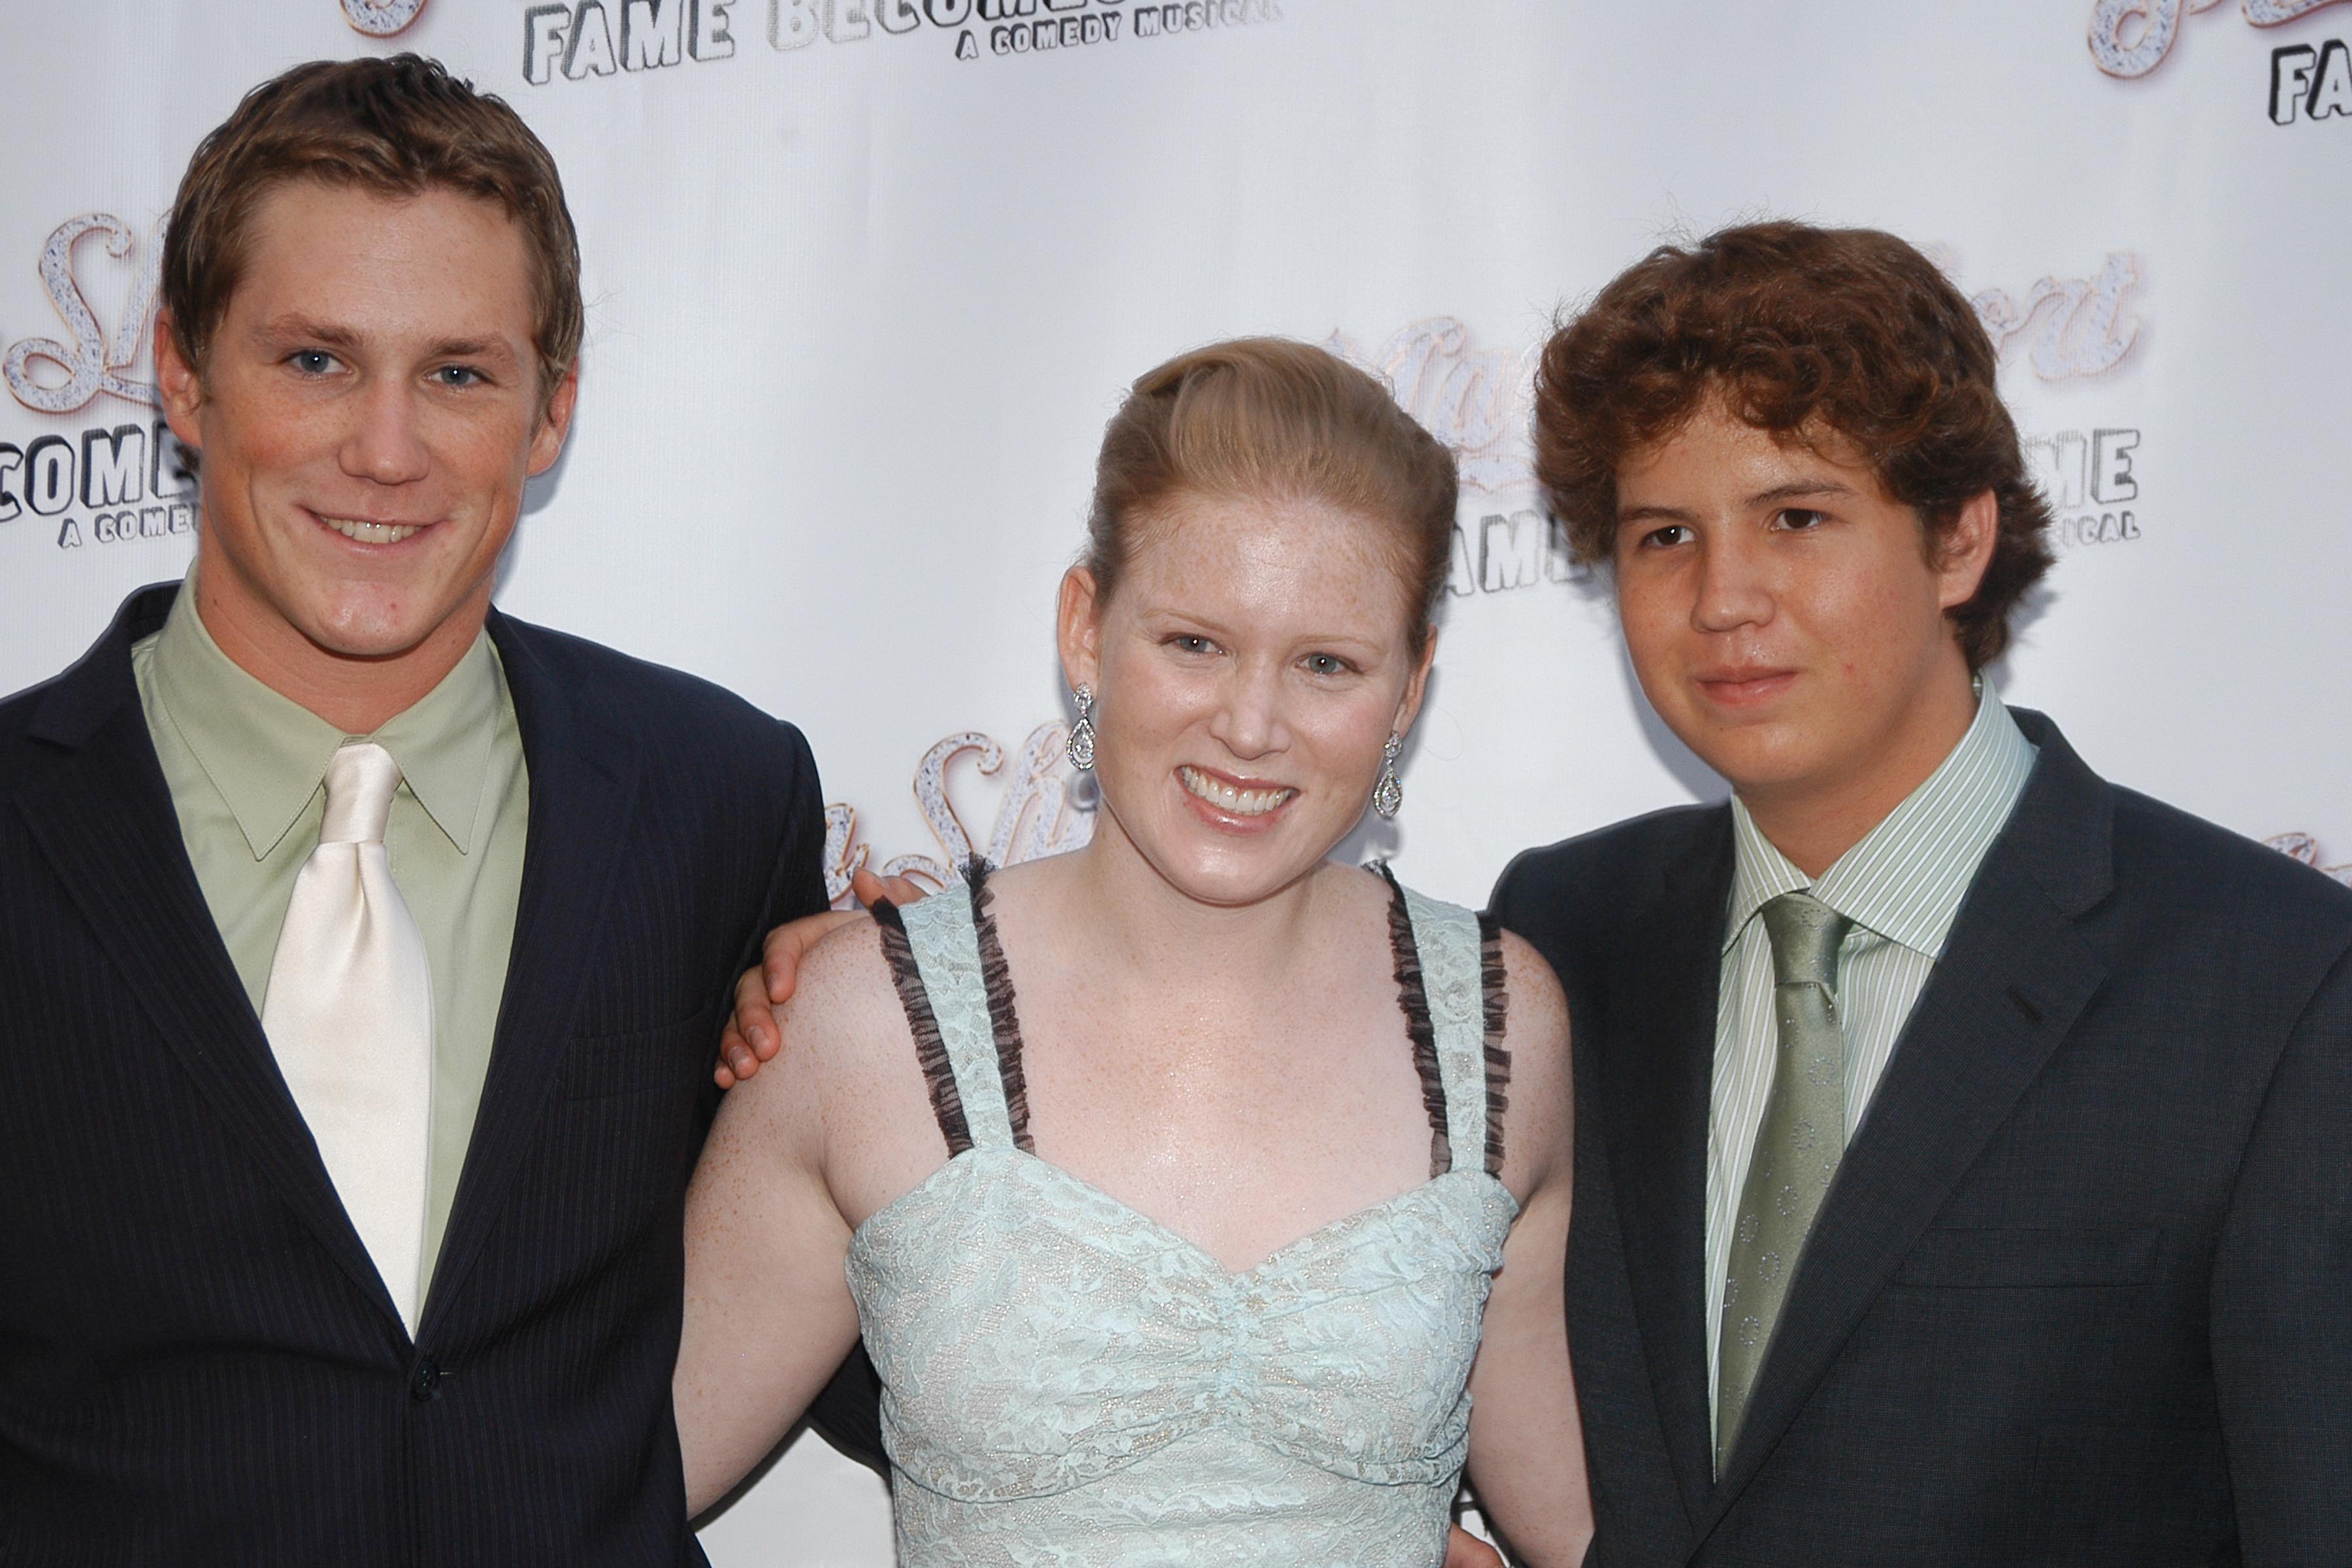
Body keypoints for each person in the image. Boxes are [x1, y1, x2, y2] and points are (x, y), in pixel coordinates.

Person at [0, 56, 867, 1561]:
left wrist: (931, 1081)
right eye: (317, 360)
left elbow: (851, 1338)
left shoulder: (717, 796)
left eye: (459, 372)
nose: (387, 450)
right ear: (183, 375)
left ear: (550, 413)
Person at [1492, 221, 2352, 1565]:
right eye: (1665, 534)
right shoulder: (1559, 938)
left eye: (1796, 517)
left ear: (1958, 541)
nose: (1723, 598)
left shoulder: (2278, 985)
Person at [677, 338, 1592, 1565]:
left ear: (1412, 688)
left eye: (1327, 664)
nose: (1252, 727)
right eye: (1194, 644)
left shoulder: (1501, 1025)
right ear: (1084, 625)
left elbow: (1588, 1524)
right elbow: (604, 1471)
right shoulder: (862, 1025)